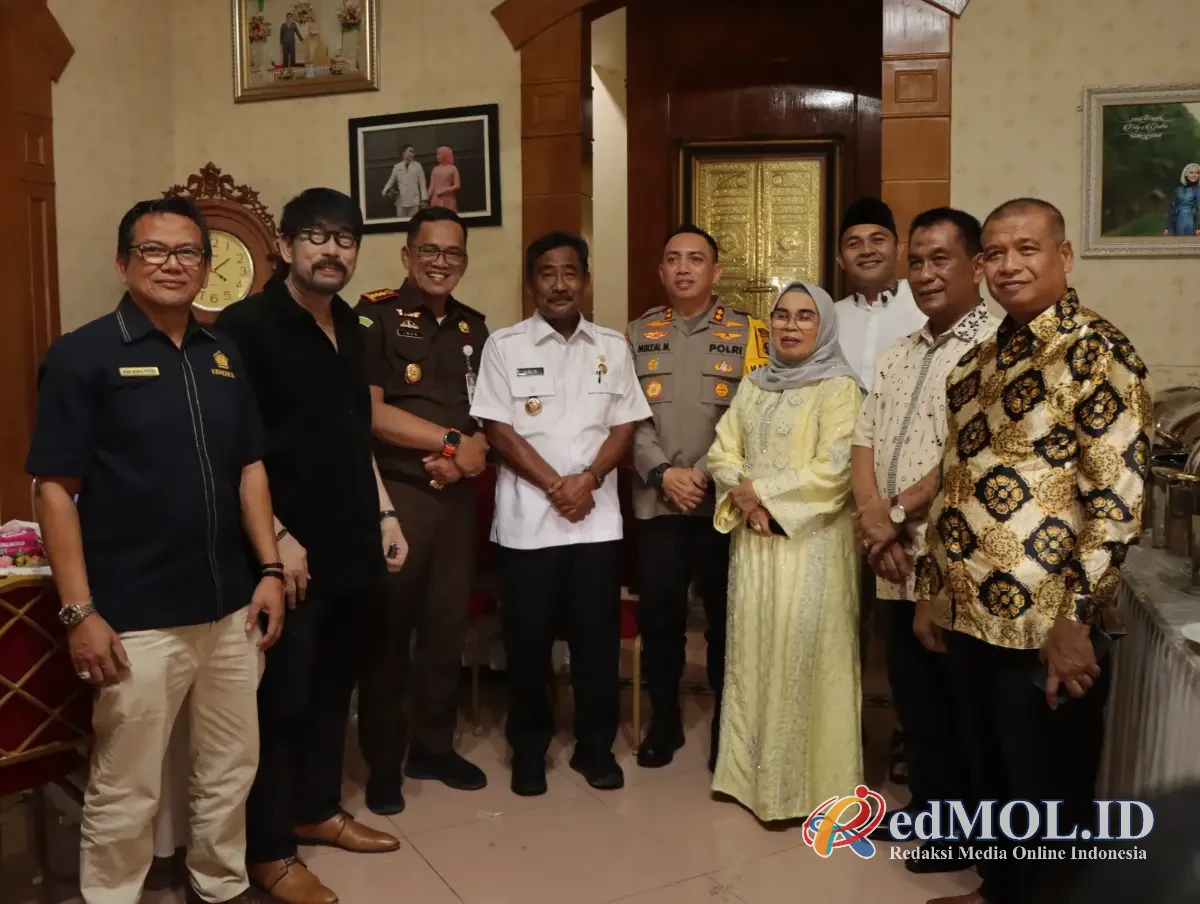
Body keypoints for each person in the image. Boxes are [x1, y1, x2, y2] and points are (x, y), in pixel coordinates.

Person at [27, 197, 285, 904]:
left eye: (187, 252)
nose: (173, 264)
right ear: (124, 263)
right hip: (134, 616)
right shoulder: (81, 355)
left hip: (231, 607)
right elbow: (54, 490)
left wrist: (269, 568)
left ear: (205, 266)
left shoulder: (222, 354)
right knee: (127, 783)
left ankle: (221, 885)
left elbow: (250, 468)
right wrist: (79, 612)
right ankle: (111, 896)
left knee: (231, 766)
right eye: (154, 250)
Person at [914, 198, 1152, 904]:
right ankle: (999, 890)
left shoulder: (1098, 352)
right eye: (995, 252)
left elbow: (1115, 504)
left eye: (1027, 248)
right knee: (990, 770)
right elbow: (956, 477)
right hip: (968, 608)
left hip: (1045, 620)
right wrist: (933, 589)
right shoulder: (979, 359)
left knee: (1047, 785)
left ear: (1064, 256)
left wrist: (1076, 619)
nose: (1009, 264)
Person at [216, 188, 405, 904]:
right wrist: (278, 541)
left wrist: (385, 513)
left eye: (345, 239)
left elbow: (356, 434)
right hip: (285, 554)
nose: (332, 251)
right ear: (287, 246)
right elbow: (237, 448)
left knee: (333, 690)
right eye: (317, 237)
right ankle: (269, 851)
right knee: (283, 701)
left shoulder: (351, 324)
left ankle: (317, 810)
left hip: (353, 541)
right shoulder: (247, 326)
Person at [470, 232, 652, 796]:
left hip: (595, 524)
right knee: (526, 645)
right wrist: (557, 485)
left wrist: (589, 480)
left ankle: (595, 750)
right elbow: (497, 429)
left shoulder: (612, 347)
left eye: (570, 272)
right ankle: (529, 750)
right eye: (546, 273)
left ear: (586, 281)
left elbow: (625, 424)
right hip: (528, 525)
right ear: (531, 284)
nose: (558, 284)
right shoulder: (504, 346)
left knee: (596, 644)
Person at [850, 207, 997, 868]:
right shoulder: (899, 354)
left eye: (942, 259)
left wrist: (895, 512)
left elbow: (970, 455)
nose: (927, 274)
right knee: (914, 695)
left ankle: (962, 829)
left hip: (952, 555)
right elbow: (863, 440)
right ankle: (931, 809)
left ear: (976, 265)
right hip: (890, 552)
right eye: (918, 261)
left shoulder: (997, 348)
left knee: (958, 696)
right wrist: (873, 519)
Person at [706, 282, 864, 823]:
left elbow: (836, 468)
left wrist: (763, 494)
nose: (790, 326)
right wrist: (747, 499)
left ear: (824, 326)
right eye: (782, 316)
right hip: (755, 544)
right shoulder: (754, 384)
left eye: (804, 317)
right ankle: (747, 779)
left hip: (810, 545)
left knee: (806, 655)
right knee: (753, 651)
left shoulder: (840, 389)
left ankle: (810, 788)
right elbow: (722, 450)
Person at [354, 205, 490, 815]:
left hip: (455, 501)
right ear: (407, 255)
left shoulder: (473, 328)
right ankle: (384, 763)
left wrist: (468, 458)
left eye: (453, 253)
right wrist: (451, 444)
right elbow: (369, 412)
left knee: (444, 630)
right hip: (396, 497)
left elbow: (488, 415)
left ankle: (433, 747)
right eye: (429, 250)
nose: (441, 262)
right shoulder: (373, 315)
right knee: (388, 636)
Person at [624, 225, 768, 771]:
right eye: (673, 259)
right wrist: (663, 472)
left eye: (696, 259)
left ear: (716, 271)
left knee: (728, 621)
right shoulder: (636, 334)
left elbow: (754, 416)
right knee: (660, 618)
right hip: (658, 502)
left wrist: (704, 474)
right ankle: (664, 722)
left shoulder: (749, 333)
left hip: (723, 505)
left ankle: (727, 728)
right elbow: (626, 417)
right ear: (661, 271)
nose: (683, 268)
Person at [834, 197, 926, 391]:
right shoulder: (829, 318)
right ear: (840, 259)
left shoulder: (925, 307)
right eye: (854, 244)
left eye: (878, 240)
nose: (867, 250)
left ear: (898, 250)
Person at [382, 144, 427, 219]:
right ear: (404, 153)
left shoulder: (418, 166)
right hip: (401, 201)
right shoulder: (397, 167)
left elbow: (422, 184)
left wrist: (424, 199)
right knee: (401, 221)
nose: (412, 154)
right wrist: (384, 191)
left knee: (413, 221)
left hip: (414, 201)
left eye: (413, 152)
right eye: (410, 151)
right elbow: (391, 181)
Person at [1164, 162, 1200, 236]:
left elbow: (1199, 209)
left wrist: (1199, 227)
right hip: (1176, 221)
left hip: (1191, 222)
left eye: (1197, 173)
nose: (1194, 175)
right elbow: (1172, 208)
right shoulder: (1179, 189)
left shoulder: (1198, 190)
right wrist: (1167, 227)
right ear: (1186, 174)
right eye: (1191, 172)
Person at [428, 146, 461, 212]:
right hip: (436, 199)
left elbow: (457, 185)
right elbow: (431, 187)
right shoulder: (435, 169)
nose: (437, 156)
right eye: (437, 155)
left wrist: (444, 190)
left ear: (445, 155)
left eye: (439, 154)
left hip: (448, 199)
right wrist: (426, 200)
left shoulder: (453, 168)